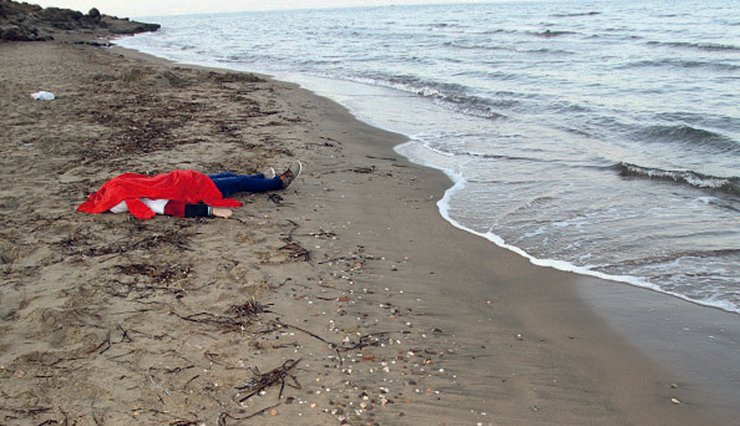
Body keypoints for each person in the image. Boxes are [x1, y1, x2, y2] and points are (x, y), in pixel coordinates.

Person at [77, 161, 302, 220]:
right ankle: (277, 183)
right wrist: (211, 211)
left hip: (184, 180)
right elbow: (171, 208)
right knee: (237, 183)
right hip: (191, 191)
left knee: (226, 176)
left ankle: (259, 178)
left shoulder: (118, 187)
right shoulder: (137, 200)